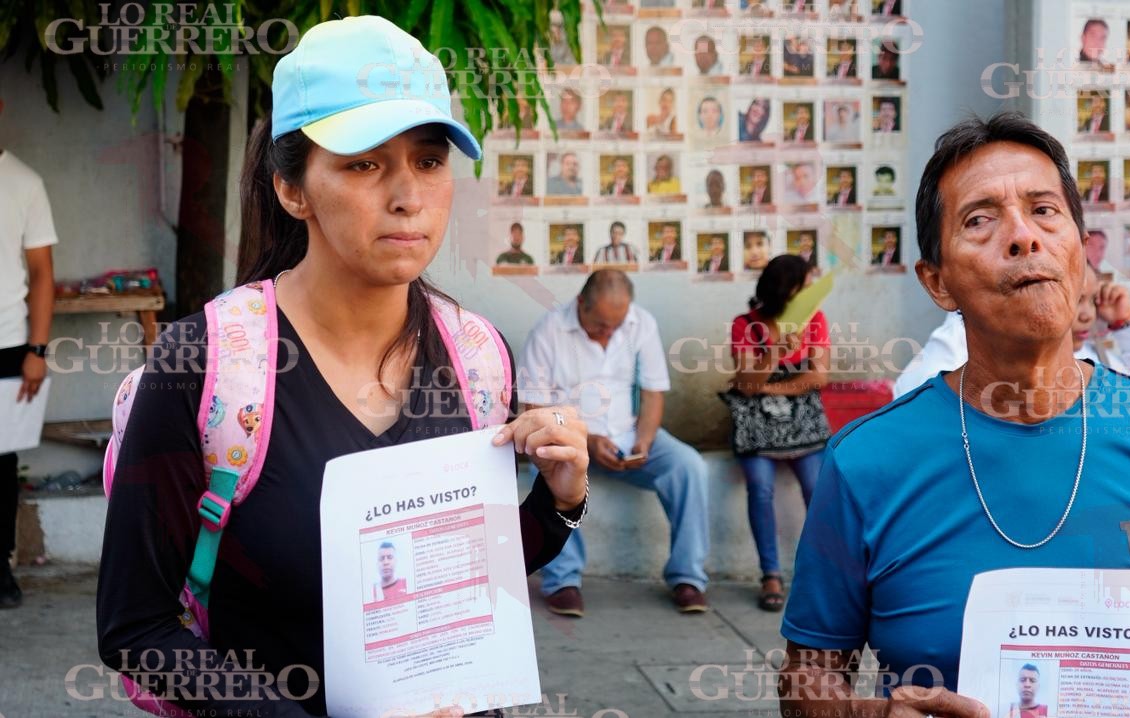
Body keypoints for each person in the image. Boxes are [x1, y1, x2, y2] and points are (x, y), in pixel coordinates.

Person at [97, 17, 590, 717]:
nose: (407, 197)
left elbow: (470, 580)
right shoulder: (206, 365)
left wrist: (561, 503)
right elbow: (135, 629)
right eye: (364, 163)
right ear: (293, 189)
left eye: (427, 160)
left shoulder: (477, 356)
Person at [782, 112, 1130, 718]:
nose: (1023, 237)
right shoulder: (866, 461)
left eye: (1044, 210)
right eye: (979, 220)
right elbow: (807, 678)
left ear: (1080, 255)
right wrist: (874, 715)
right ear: (938, 282)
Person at [520, 271, 710, 616]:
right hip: (569, 440)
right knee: (547, 459)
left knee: (689, 466)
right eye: (600, 326)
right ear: (581, 304)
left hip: (628, 435)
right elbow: (534, 412)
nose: (608, 334)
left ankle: (688, 577)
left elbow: (653, 392)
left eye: (616, 326)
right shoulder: (548, 331)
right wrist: (587, 442)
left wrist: (644, 441)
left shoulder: (641, 324)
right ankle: (563, 580)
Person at [894, 263, 1130, 397]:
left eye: (1093, 300)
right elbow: (912, 403)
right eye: (1075, 299)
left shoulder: (1097, 357)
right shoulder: (961, 351)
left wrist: (1125, 325)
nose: (1087, 315)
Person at [728, 256, 830, 612]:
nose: (810, 292)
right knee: (760, 487)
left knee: (819, 489)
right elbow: (745, 382)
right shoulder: (745, 325)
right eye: (804, 286)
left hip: (804, 423)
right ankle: (770, 574)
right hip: (757, 428)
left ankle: (819, 573)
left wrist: (770, 389)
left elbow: (818, 377)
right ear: (784, 290)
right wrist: (773, 354)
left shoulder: (814, 321)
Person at [0, 97, 57, 610]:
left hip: (7, 340)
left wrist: (37, 349)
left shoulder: (23, 182)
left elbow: (42, 273)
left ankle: (0, 570)